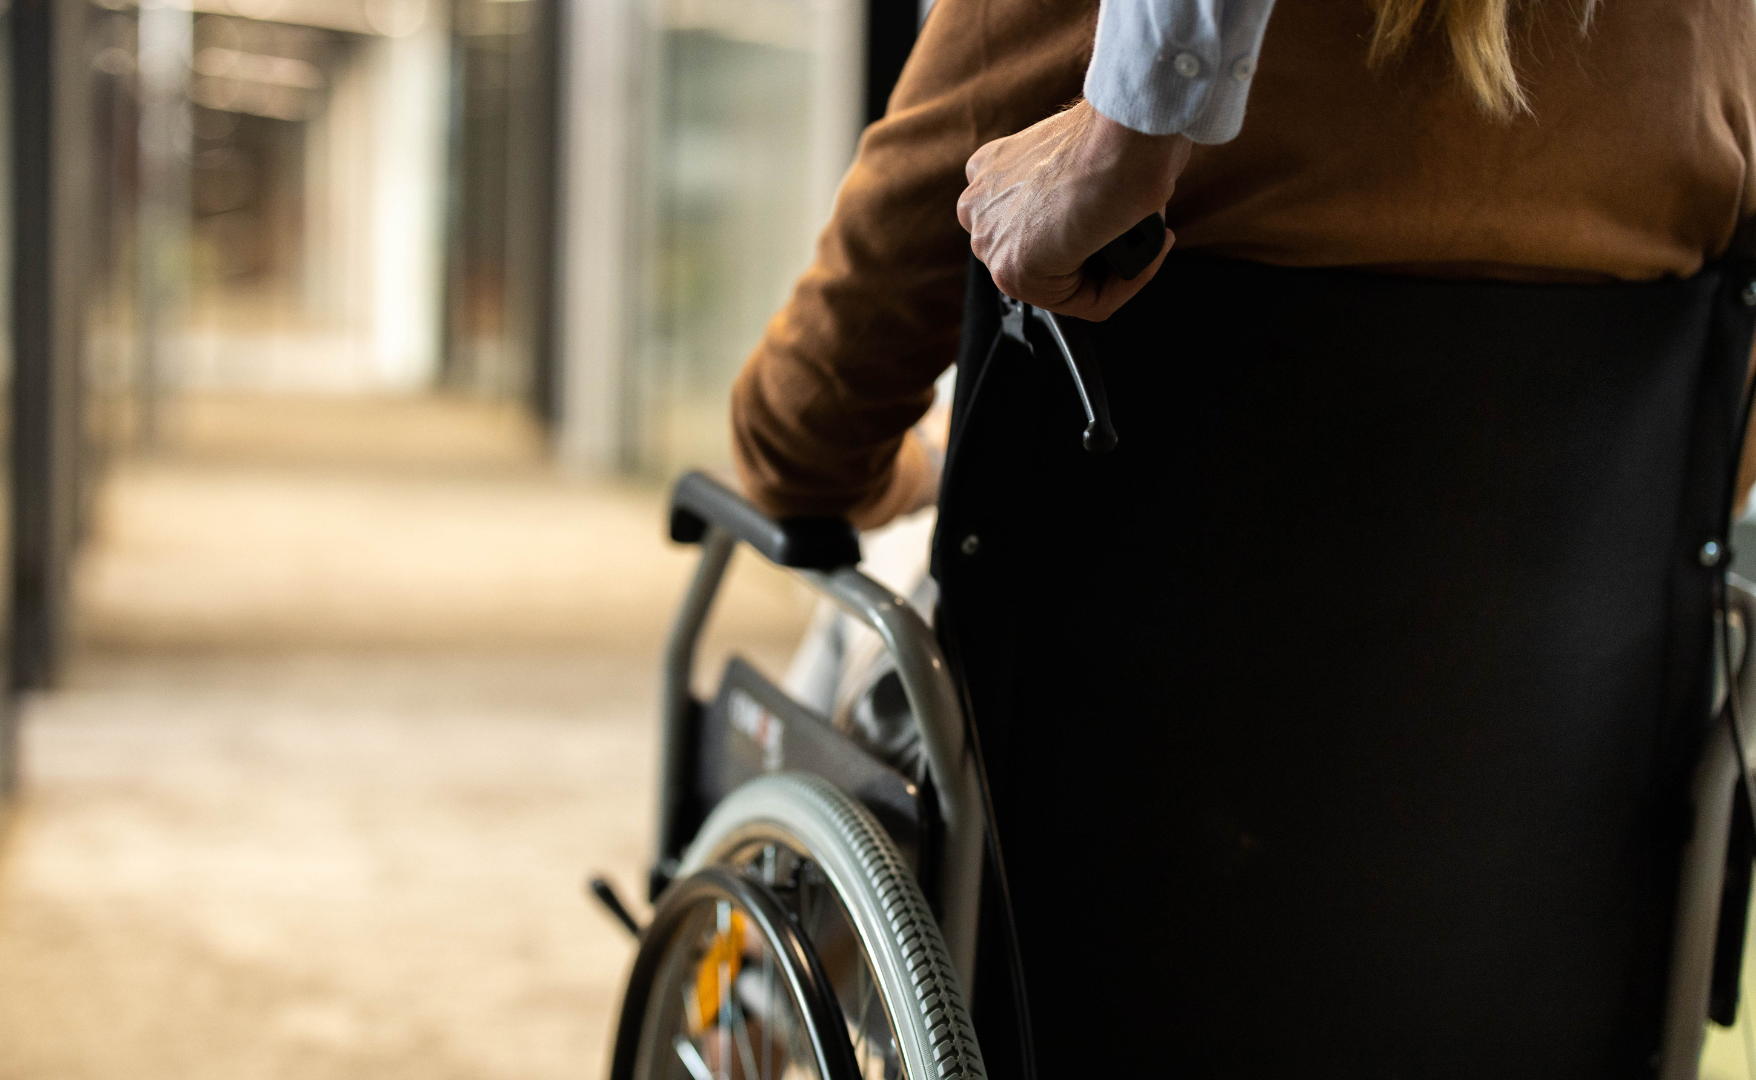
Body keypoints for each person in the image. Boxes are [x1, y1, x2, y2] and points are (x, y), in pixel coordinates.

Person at [732, 0, 1756, 1076]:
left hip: (1102, 921)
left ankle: (746, 1005)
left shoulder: (1084, 33)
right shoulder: (1705, 39)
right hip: (1528, 907)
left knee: (880, 617)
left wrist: (916, 473)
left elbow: (798, 441)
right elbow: (1710, 460)